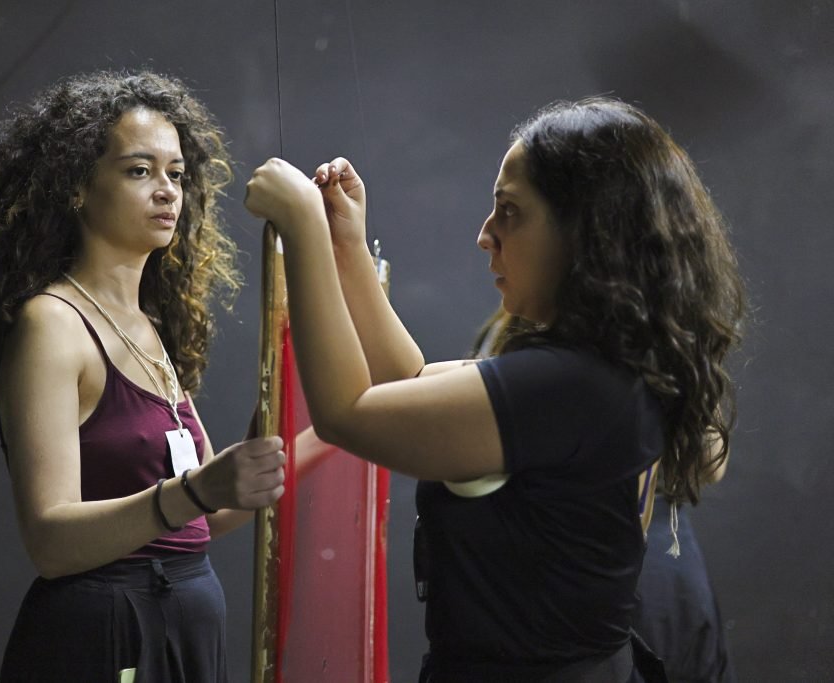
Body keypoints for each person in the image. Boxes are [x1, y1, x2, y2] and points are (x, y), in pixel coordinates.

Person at [244, 97, 746, 681]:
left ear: (585, 231)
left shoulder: (566, 385)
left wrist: (304, 227)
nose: (487, 235)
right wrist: (350, 251)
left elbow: (347, 414)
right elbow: (408, 384)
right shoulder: (596, 370)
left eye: (510, 212)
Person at [0, 69, 286, 682]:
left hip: (185, 628)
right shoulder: (52, 324)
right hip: (105, 638)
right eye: (139, 170)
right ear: (76, 188)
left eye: (176, 173)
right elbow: (51, 541)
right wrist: (198, 489)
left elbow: (203, 517)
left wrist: (289, 434)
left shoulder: (148, 325)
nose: (168, 191)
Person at [473, 308, 736, 682]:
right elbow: (709, 464)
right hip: (647, 569)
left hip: (618, 569)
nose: (488, 246)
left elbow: (709, 462)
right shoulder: (656, 325)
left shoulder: (619, 329)